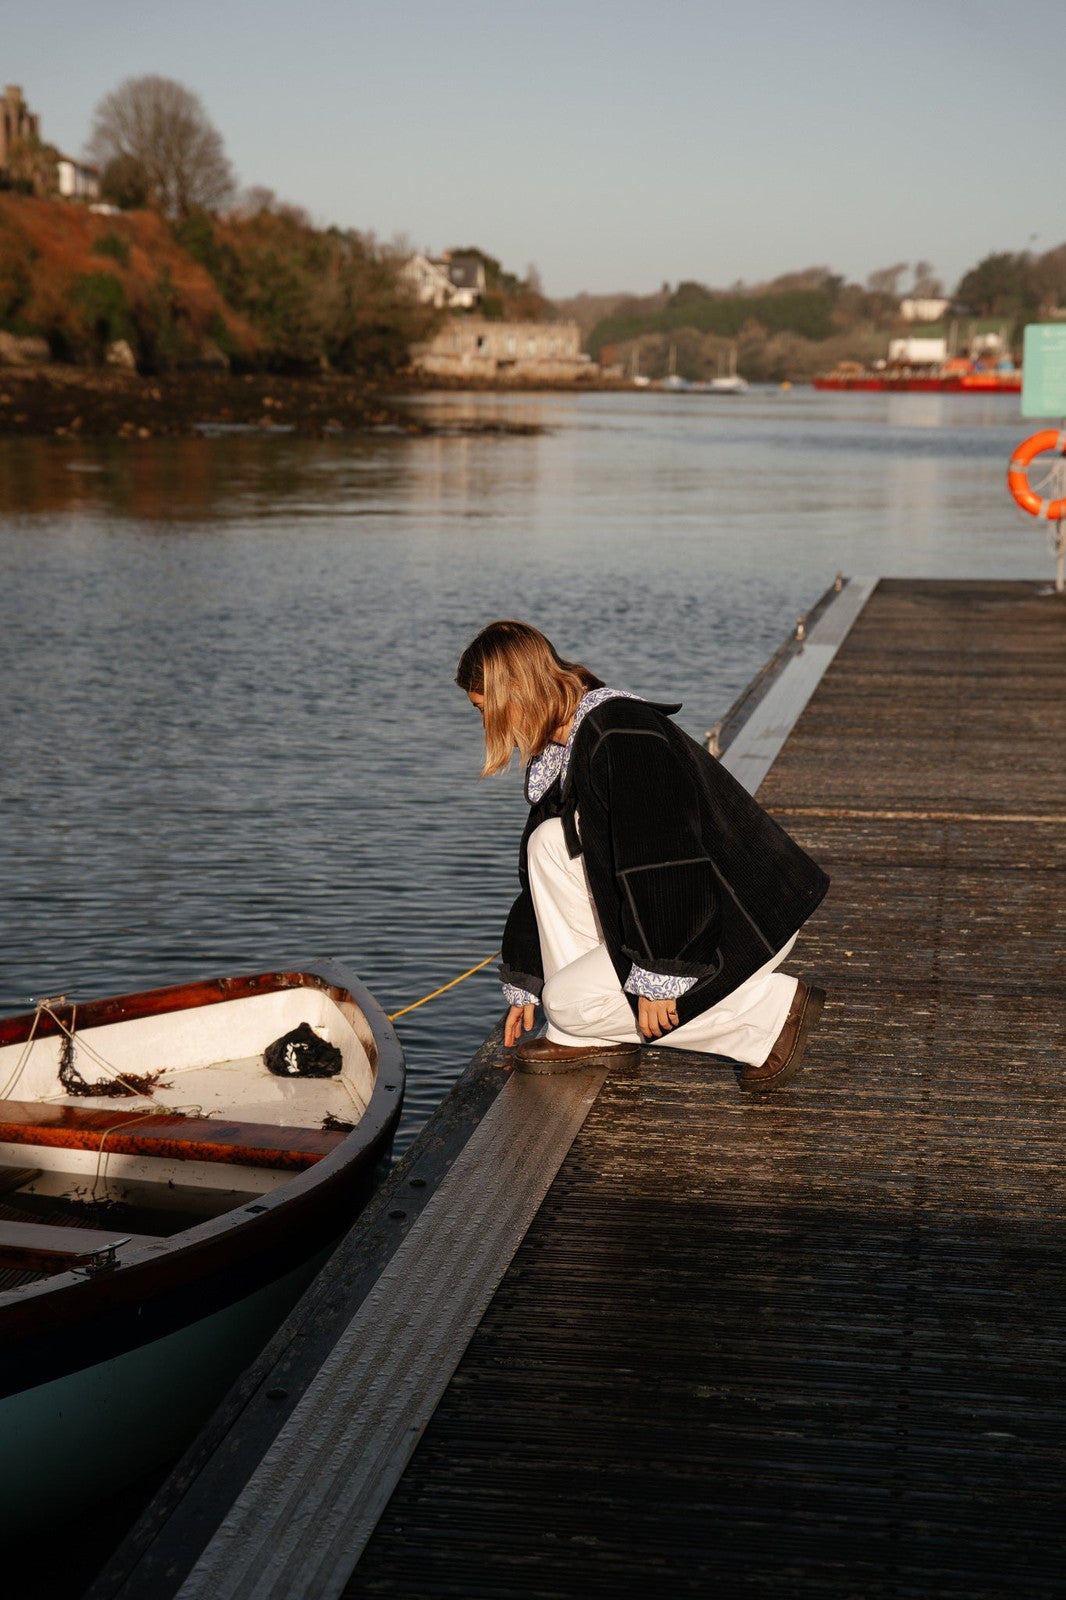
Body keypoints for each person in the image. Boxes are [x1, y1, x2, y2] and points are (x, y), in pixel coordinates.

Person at [456, 620, 830, 1089]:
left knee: (568, 1004)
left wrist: (660, 970)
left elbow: (665, 857)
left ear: (516, 691)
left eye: (484, 710)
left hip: (741, 912)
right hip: (697, 908)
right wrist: (525, 974)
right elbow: (540, 886)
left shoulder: (620, 734)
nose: (487, 725)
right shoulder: (566, 746)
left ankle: (768, 1016)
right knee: (549, 841)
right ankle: (588, 1034)